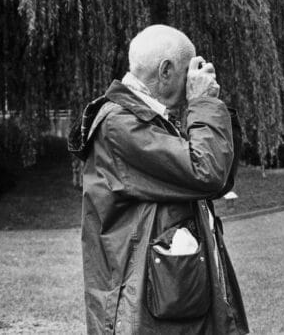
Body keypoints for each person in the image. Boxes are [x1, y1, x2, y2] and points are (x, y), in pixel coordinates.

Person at [68, 24, 249, 334]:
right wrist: (204, 105)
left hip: (170, 302)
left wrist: (212, 108)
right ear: (166, 70)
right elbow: (207, 172)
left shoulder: (148, 120)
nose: (194, 79)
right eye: (188, 70)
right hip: (144, 313)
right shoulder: (120, 125)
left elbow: (217, 181)